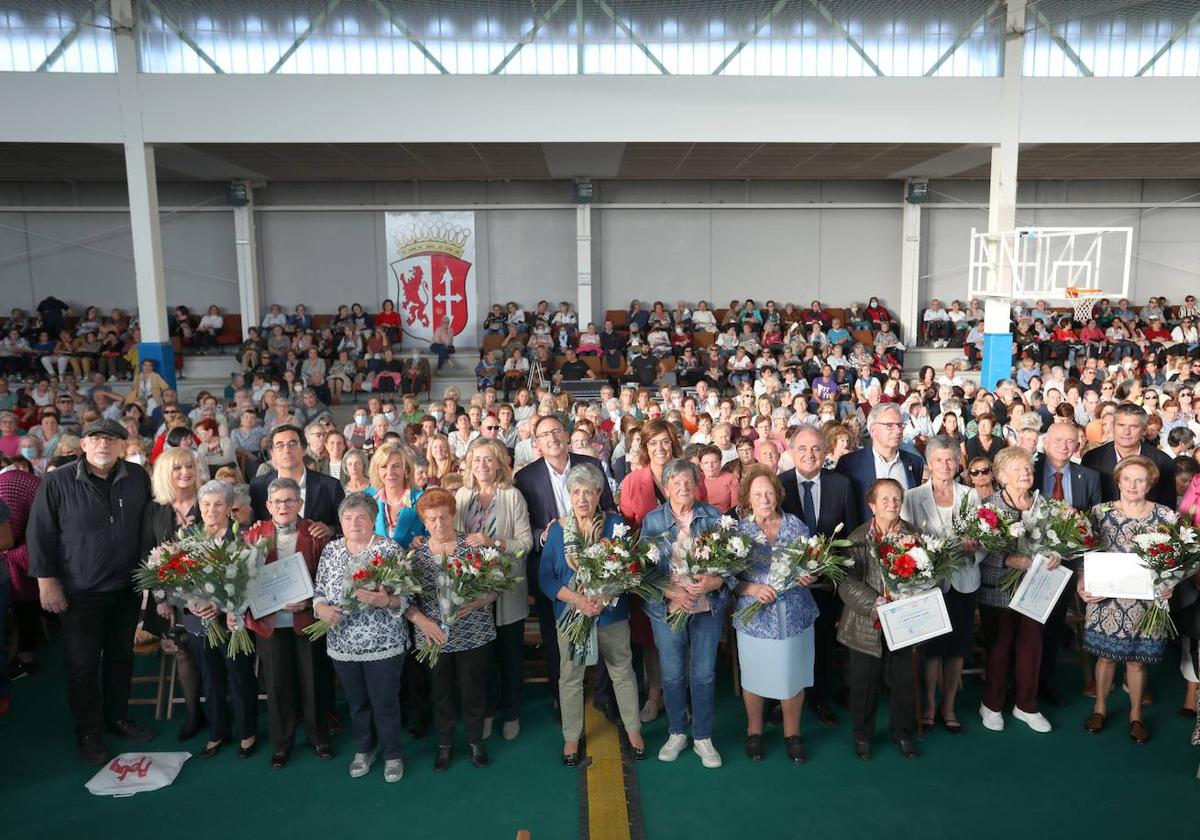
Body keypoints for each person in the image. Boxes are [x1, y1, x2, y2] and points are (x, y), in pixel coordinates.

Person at [27, 418, 154, 764]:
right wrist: (46, 581)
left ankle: (117, 717)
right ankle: (88, 731)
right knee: (82, 666)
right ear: (83, 445)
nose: (103, 445)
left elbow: (149, 524)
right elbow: (39, 534)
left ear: (122, 446)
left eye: (111, 439)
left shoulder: (137, 477)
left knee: (120, 658)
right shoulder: (56, 481)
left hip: (125, 588)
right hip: (79, 592)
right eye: (96, 438)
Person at [540, 463, 646, 766]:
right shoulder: (559, 529)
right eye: (576, 492)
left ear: (600, 493)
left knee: (622, 672)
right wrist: (578, 601)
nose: (582, 498)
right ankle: (571, 736)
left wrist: (604, 596)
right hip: (571, 616)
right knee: (570, 677)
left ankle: (633, 730)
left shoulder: (615, 526)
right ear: (569, 495)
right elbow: (547, 578)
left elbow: (629, 570)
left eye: (589, 491)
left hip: (610, 615)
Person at [513, 414, 614, 708]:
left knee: (602, 624)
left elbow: (608, 507)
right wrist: (542, 535)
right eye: (545, 435)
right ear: (537, 443)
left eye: (557, 431)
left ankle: (604, 696)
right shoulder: (526, 477)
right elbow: (524, 525)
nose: (553, 438)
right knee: (555, 632)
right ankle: (564, 697)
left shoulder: (592, 465)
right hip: (552, 566)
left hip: (596, 562)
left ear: (567, 435)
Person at [312, 493, 409, 783]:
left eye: (361, 517)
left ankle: (392, 754)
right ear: (340, 521)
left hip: (383, 642)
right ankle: (364, 748)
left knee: (385, 702)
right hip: (343, 643)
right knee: (357, 702)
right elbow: (318, 592)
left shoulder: (389, 549)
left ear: (372, 521)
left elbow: (407, 597)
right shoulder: (330, 551)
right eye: (348, 518)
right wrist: (321, 610)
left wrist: (386, 600)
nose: (354, 523)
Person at [240, 477, 333, 768]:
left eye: (289, 500)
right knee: (277, 685)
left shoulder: (316, 534)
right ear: (268, 505)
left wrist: (310, 602)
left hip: (306, 618)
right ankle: (281, 743)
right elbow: (245, 581)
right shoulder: (254, 536)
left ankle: (319, 737)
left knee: (313, 680)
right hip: (270, 621)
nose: (283, 506)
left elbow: (327, 579)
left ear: (299, 503)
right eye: (277, 501)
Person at [1082, 457, 1176, 743]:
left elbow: (1176, 560)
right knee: (1106, 657)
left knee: (1136, 662)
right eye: (1128, 479)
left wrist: (1169, 583)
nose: (1133, 485)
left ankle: (1136, 715)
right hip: (1106, 599)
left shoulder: (1166, 516)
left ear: (1150, 484)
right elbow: (1083, 553)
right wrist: (1081, 582)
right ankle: (1099, 708)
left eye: (1140, 480)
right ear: (1118, 481)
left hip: (1145, 602)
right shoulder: (1099, 513)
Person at [641, 458, 727, 768]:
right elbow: (642, 571)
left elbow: (732, 564)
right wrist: (670, 592)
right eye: (675, 483)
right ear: (665, 489)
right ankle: (677, 731)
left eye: (688, 481)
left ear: (696, 485)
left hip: (707, 608)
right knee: (673, 674)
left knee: (703, 674)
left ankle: (703, 736)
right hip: (668, 610)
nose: (682, 487)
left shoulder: (713, 516)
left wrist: (714, 581)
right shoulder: (652, 521)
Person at [407, 489, 496, 771]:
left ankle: (475, 741)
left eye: (443, 517)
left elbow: (495, 589)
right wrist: (422, 621)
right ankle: (444, 744)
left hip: (473, 630)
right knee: (440, 691)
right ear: (423, 521)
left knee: (473, 690)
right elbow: (406, 599)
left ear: (453, 515)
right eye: (431, 519)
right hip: (434, 634)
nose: (438, 524)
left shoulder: (472, 547)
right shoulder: (416, 555)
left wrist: (478, 601)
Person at [733, 465, 816, 763]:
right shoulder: (738, 532)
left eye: (769, 492)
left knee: (793, 676)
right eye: (758, 494)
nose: (765, 499)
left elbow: (812, 564)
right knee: (754, 676)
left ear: (778, 495)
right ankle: (754, 732)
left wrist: (811, 576)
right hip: (755, 618)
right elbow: (727, 578)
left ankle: (792, 734)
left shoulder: (796, 526)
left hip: (795, 614)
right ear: (748, 498)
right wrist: (751, 589)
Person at [779, 425, 859, 728]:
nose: (809, 454)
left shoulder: (842, 484)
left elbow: (850, 536)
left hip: (827, 584)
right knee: (790, 644)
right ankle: (784, 697)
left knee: (824, 643)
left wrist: (838, 579)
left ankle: (821, 699)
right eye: (802, 448)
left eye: (815, 448)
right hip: (788, 585)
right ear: (791, 451)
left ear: (825, 452)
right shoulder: (780, 485)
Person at [453, 438, 532, 742]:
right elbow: (456, 540)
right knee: (481, 661)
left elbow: (525, 543)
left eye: (489, 460)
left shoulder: (512, 496)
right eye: (477, 460)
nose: (483, 466)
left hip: (507, 590)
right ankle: (487, 712)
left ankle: (511, 713)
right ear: (469, 465)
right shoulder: (462, 495)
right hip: (473, 592)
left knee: (511, 657)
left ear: (499, 463)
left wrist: (493, 543)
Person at [979, 446, 1060, 734]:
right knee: (999, 650)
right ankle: (992, 704)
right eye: (1017, 468)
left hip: (1035, 590)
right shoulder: (988, 508)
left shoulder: (1045, 505)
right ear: (1001, 476)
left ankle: (1026, 705)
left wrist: (1055, 554)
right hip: (998, 589)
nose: (1026, 472)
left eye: (1028, 468)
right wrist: (1008, 559)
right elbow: (978, 553)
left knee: (1031, 648)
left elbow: (1057, 540)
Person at [901, 436, 979, 734]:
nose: (945, 465)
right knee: (933, 650)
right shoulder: (912, 496)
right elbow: (905, 541)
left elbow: (983, 536)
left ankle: (949, 707)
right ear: (928, 463)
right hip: (930, 584)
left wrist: (976, 547)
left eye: (950, 460)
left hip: (963, 580)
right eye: (939, 460)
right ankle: (930, 707)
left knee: (957, 649)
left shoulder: (970, 496)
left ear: (958, 462)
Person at [840, 479, 920, 759]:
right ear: (871, 504)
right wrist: (875, 603)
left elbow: (928, 572)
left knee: (904, 679)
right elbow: (846, 583)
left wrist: (914, 592)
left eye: (896, 498)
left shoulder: (915, 536)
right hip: (866, 621)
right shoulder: (857, 538)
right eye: (884, 499)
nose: (892, 504)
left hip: (904, 619)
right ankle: (862, 735)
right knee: (864, 682)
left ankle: (902, 732)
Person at [184, 481, 259, 760]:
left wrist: (223, 604)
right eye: (206, 504)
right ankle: (217, 732)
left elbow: (252, 581)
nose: (211, 510)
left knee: (239, 676)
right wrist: (191, 602)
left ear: (230, 508)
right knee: (210, 678)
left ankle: (246, 732)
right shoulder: (188, 535)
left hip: (233, 621)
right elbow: (174, 577)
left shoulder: (243, 538)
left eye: (218, 504)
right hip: (198, 621)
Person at [1031, 422, 1102, 706]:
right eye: (1057, 439)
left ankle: (1044, 681)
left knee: (1053, 627)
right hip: (1029, 561)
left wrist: (1084, 570)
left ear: (1077, 446)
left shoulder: (1090, 477)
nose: (1063, 445)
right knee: (1027, 627)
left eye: (1070, 441)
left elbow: (1095, 528)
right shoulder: (1029, 471)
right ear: (1045, 442)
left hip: (1068, 565)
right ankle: (1021, 681)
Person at [140, 447, 205, 741]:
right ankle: (194, 714)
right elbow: (146, 556)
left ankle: (218, 708)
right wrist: (160, 598)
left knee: (212, 653)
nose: (185, 473)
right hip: (170, 597)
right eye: (177, 468)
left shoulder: (208, 501)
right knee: (183, 653)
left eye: (189, 466)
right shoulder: (155, 509)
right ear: (167, 473)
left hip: (210, 593)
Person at [836, 402, 925, 523]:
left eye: (900, 425)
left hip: (906, 538)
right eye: (889, 425)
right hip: (864, 538)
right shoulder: (850, 464)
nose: (898, 431)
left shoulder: (915, 463)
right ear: (873, 430)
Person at [249, 424, 345, 530]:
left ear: (304, 450)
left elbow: (344, 526)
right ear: (272, 453)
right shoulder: (258, 486)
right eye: (280, 445)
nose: (287, 450)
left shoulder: (330, 486)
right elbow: (252, 523)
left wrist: (330, 530)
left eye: (293, 444)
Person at [1082, 404, 1176, 507]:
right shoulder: (1092, 459)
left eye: (1134, 426)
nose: (1126, 432)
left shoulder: (1162, 462)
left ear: (1144, 430)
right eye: (1121, 425)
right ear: (1113, 427)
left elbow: (1168, 506)